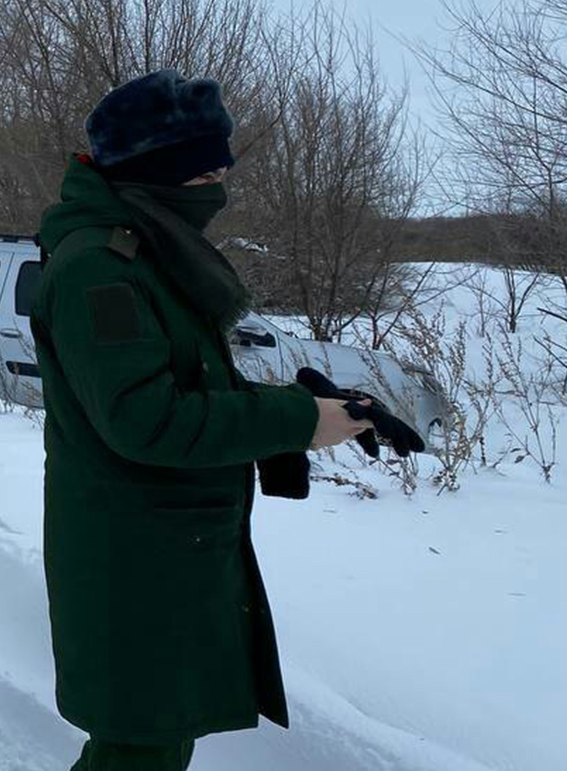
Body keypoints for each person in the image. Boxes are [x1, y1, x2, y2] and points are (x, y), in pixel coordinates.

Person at [32, 70, 373, 771]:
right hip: (133, 560)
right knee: (141, 745)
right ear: (156, 172)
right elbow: (145, 420)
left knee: (156, 734)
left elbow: (181, 378)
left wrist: (301, 401)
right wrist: (295, 422)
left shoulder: (149, 251)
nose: (219, 185)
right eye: (204, 172)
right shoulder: (101, 271)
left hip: (169, 547)